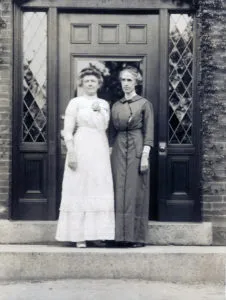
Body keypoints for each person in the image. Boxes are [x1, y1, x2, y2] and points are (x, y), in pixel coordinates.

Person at [56, 66, 115, 248]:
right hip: (81, 146)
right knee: (79, 186)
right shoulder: (75, 102)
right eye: (87, 81)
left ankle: (96, 233)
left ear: (99, 84)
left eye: (93, 81)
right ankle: (78, 235)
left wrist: (99, 111)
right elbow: (67, 130)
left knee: (98, 186)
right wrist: (71, 152)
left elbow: (105, 125)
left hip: (99, 146)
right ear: (82, 83)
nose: (90, 84)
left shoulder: (104, 104)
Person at [110, 66, 154, 247]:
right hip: (119, 146)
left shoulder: (144, 104)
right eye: (123, 80)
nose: (126, 84)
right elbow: (111, 132)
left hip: (137, 144)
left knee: (136, 190)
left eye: (129, 80)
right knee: (118, 188)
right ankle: (117, 236)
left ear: (136, 82)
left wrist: (145, 156)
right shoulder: (116, 105)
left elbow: (149, 132)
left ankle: (136, 237)